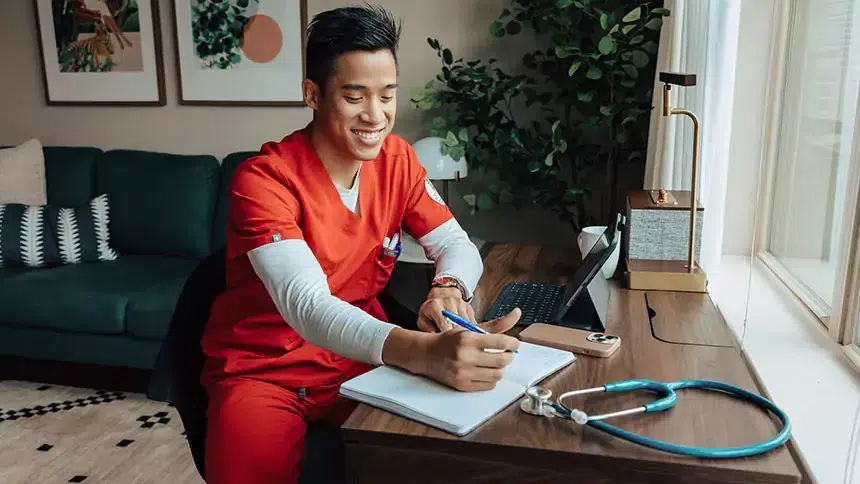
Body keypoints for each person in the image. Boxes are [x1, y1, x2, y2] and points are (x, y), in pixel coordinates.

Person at [199, 4, 522, 484]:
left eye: (387, 95)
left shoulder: (396, 160)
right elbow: (308, 306)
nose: (376, 116)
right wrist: (424, 353)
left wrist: (449, 289)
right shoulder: (263, 181)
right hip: (267, 372)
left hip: (360, 360)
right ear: (313, 94)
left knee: (453, 455)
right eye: (355, 97)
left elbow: (455, 241)